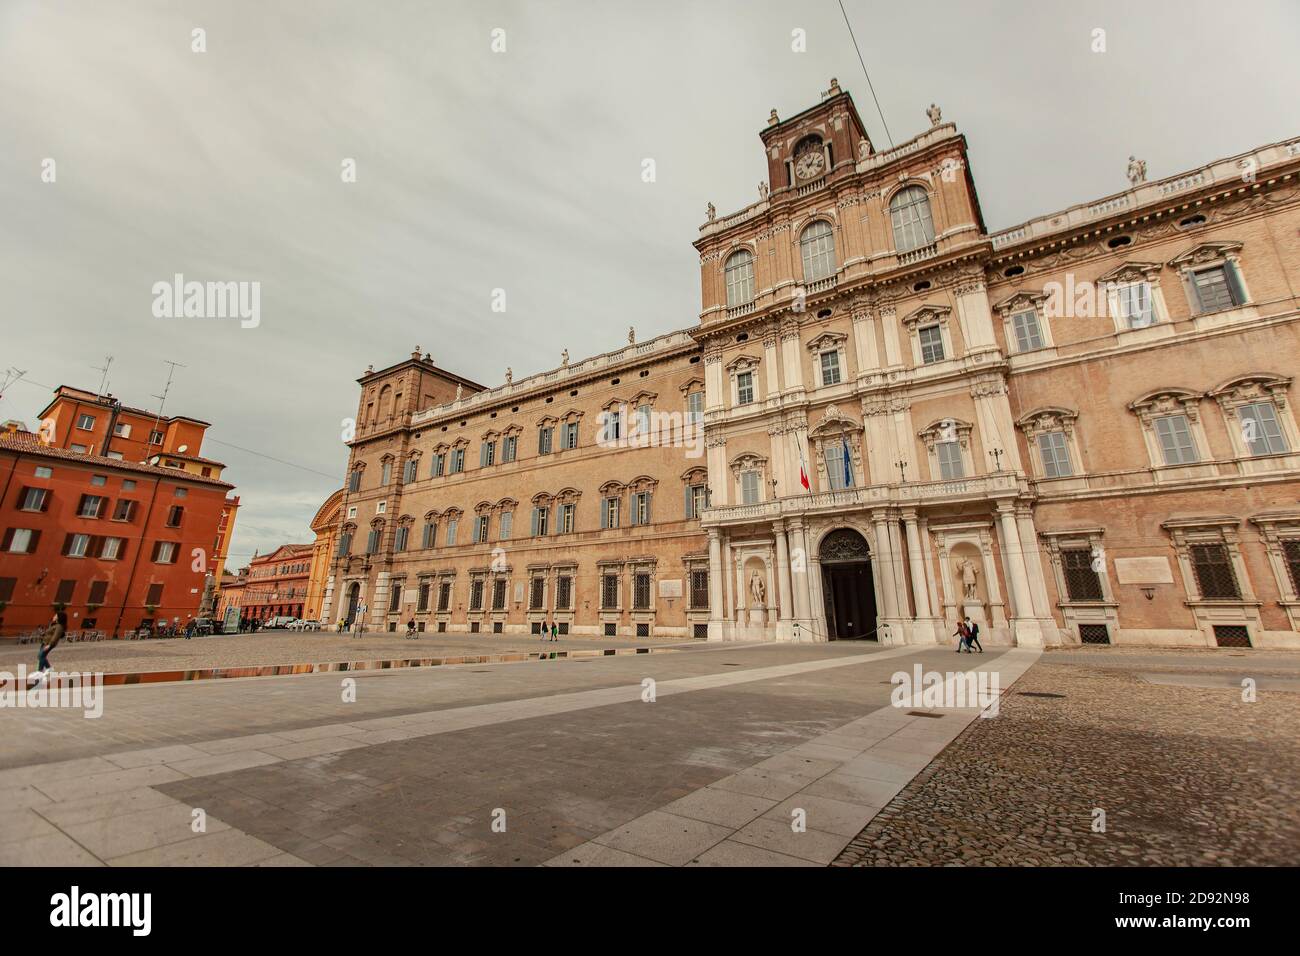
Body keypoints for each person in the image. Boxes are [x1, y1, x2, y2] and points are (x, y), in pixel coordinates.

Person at [29, 610, 67, 687]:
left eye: (55, 615)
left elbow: (55, 637)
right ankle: (41, 674)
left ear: (59, 617)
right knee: (41, 657)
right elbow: (48, 634)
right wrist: (42, 633)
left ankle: (45, 670)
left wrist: (50, 645)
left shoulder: (59, 626)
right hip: (45, 643)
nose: (53, 616)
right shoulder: (54, 625)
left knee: (41, 656)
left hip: (48, 644)